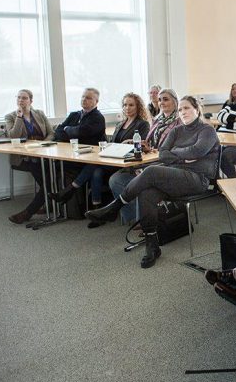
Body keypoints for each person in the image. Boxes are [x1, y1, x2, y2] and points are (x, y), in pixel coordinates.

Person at [87, 96, 219, 268]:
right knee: (147, 192)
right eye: (180, 109)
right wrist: (183, 156)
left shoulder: (207, 130)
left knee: (151, 171)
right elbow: (163, 153)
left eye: (186, 108)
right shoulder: (176, 131)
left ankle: (115, 207)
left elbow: (197, 151)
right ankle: (152, 246)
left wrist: (176, 152)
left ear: (197, 109)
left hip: (197, 179)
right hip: (175, 176)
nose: (183, 112)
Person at [49, 93, 150, 209]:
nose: (127, 108)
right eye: (125, 105)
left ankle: (70, 190)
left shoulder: (143, 124)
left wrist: (126, 143)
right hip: (114, 158)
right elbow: (113, 142)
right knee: (96, 171)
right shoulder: (120, 124)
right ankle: (97, 207)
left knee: (94, 165)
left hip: (127, 161)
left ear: (138, 107)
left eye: (131, 105)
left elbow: (140, 145)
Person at [106, 88, 181, 227]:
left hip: (168, 164)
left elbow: (178, 148)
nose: (161, 102)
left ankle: (144, 219)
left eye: (166, 99)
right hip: (151, 161)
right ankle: (134, 218)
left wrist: (157, 151)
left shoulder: (180, 121)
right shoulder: (157, 120)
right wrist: (143, 145)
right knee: (116, 179)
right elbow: (151, 143)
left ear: (175, 102)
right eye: (160, 100)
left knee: (139, 182)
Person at [4, 89, 55, 224]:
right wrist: (19, 117)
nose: (21, 100)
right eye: (18, 97)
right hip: (23, 157)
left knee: (49, 178)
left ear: (31, 101)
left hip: (42, 154)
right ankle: (32, 211)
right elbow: (13, 136)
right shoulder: (10, 117)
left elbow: (51, 133)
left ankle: (42, 206)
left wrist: (42, 144)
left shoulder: (40, 114)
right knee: (47, 181)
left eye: (24, 98)